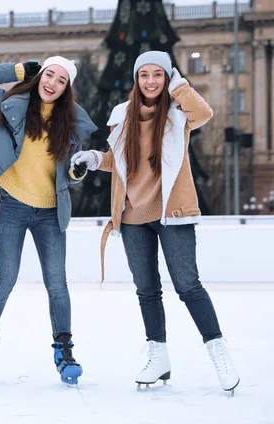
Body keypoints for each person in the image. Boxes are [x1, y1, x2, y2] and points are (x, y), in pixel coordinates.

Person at [71, 51, 240, 393]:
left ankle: (219, 353)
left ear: (167, 78)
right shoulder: (123, 116)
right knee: (147, 290)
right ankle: (158, 357)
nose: (150, 81)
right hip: (133, 216)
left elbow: (204, 112)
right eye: (144, 75)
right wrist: (92, 158)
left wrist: (179, 85)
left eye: (158, 75)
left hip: (173, 214)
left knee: (188, 286)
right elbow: (118, 162)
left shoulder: (179, 114)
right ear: (137, 80)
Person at [0, 57, 97, 385]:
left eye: (61, 80)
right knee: (5, 280)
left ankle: (63, 353)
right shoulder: (5, 102)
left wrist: (77, 172)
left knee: (57, 284)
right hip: (12, 206)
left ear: (67, 89)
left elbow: (68, 172)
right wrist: (18, 71)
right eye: (49, 74)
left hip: (51, 211)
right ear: (40, 76)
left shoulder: (71, 122)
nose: (52, 83)